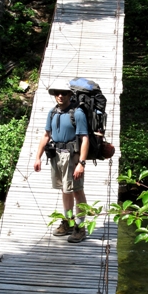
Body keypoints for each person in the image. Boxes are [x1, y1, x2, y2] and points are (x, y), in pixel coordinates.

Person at [34, 80, 89, 243]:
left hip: (72, 157)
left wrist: (82, 163)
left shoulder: (77, 113)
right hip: (56, 156)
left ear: (70, 95)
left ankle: (80, 227)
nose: (60, 95)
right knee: (65, 190)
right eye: (57, 93)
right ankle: (68, 221)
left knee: (77, 190)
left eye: (64, 93)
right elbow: (46, 135)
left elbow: (84, 138)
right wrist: (37, 157)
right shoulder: (52, 112)